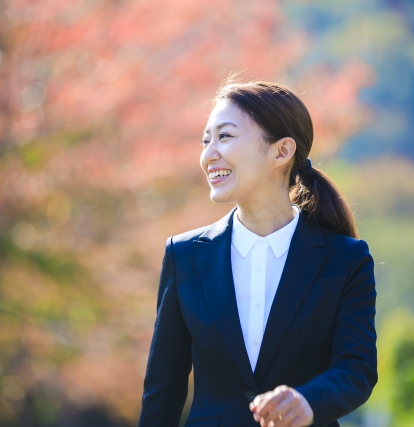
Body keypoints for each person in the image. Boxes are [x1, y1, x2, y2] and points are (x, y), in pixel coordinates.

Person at [137, 80, 377, 427]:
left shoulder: (346, 259)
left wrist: (308, 401)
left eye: (225, 137)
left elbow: (357, 368)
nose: (208, 154)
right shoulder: (185, 255)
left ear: (281, 152)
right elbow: (162, 390)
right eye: (206, 141)